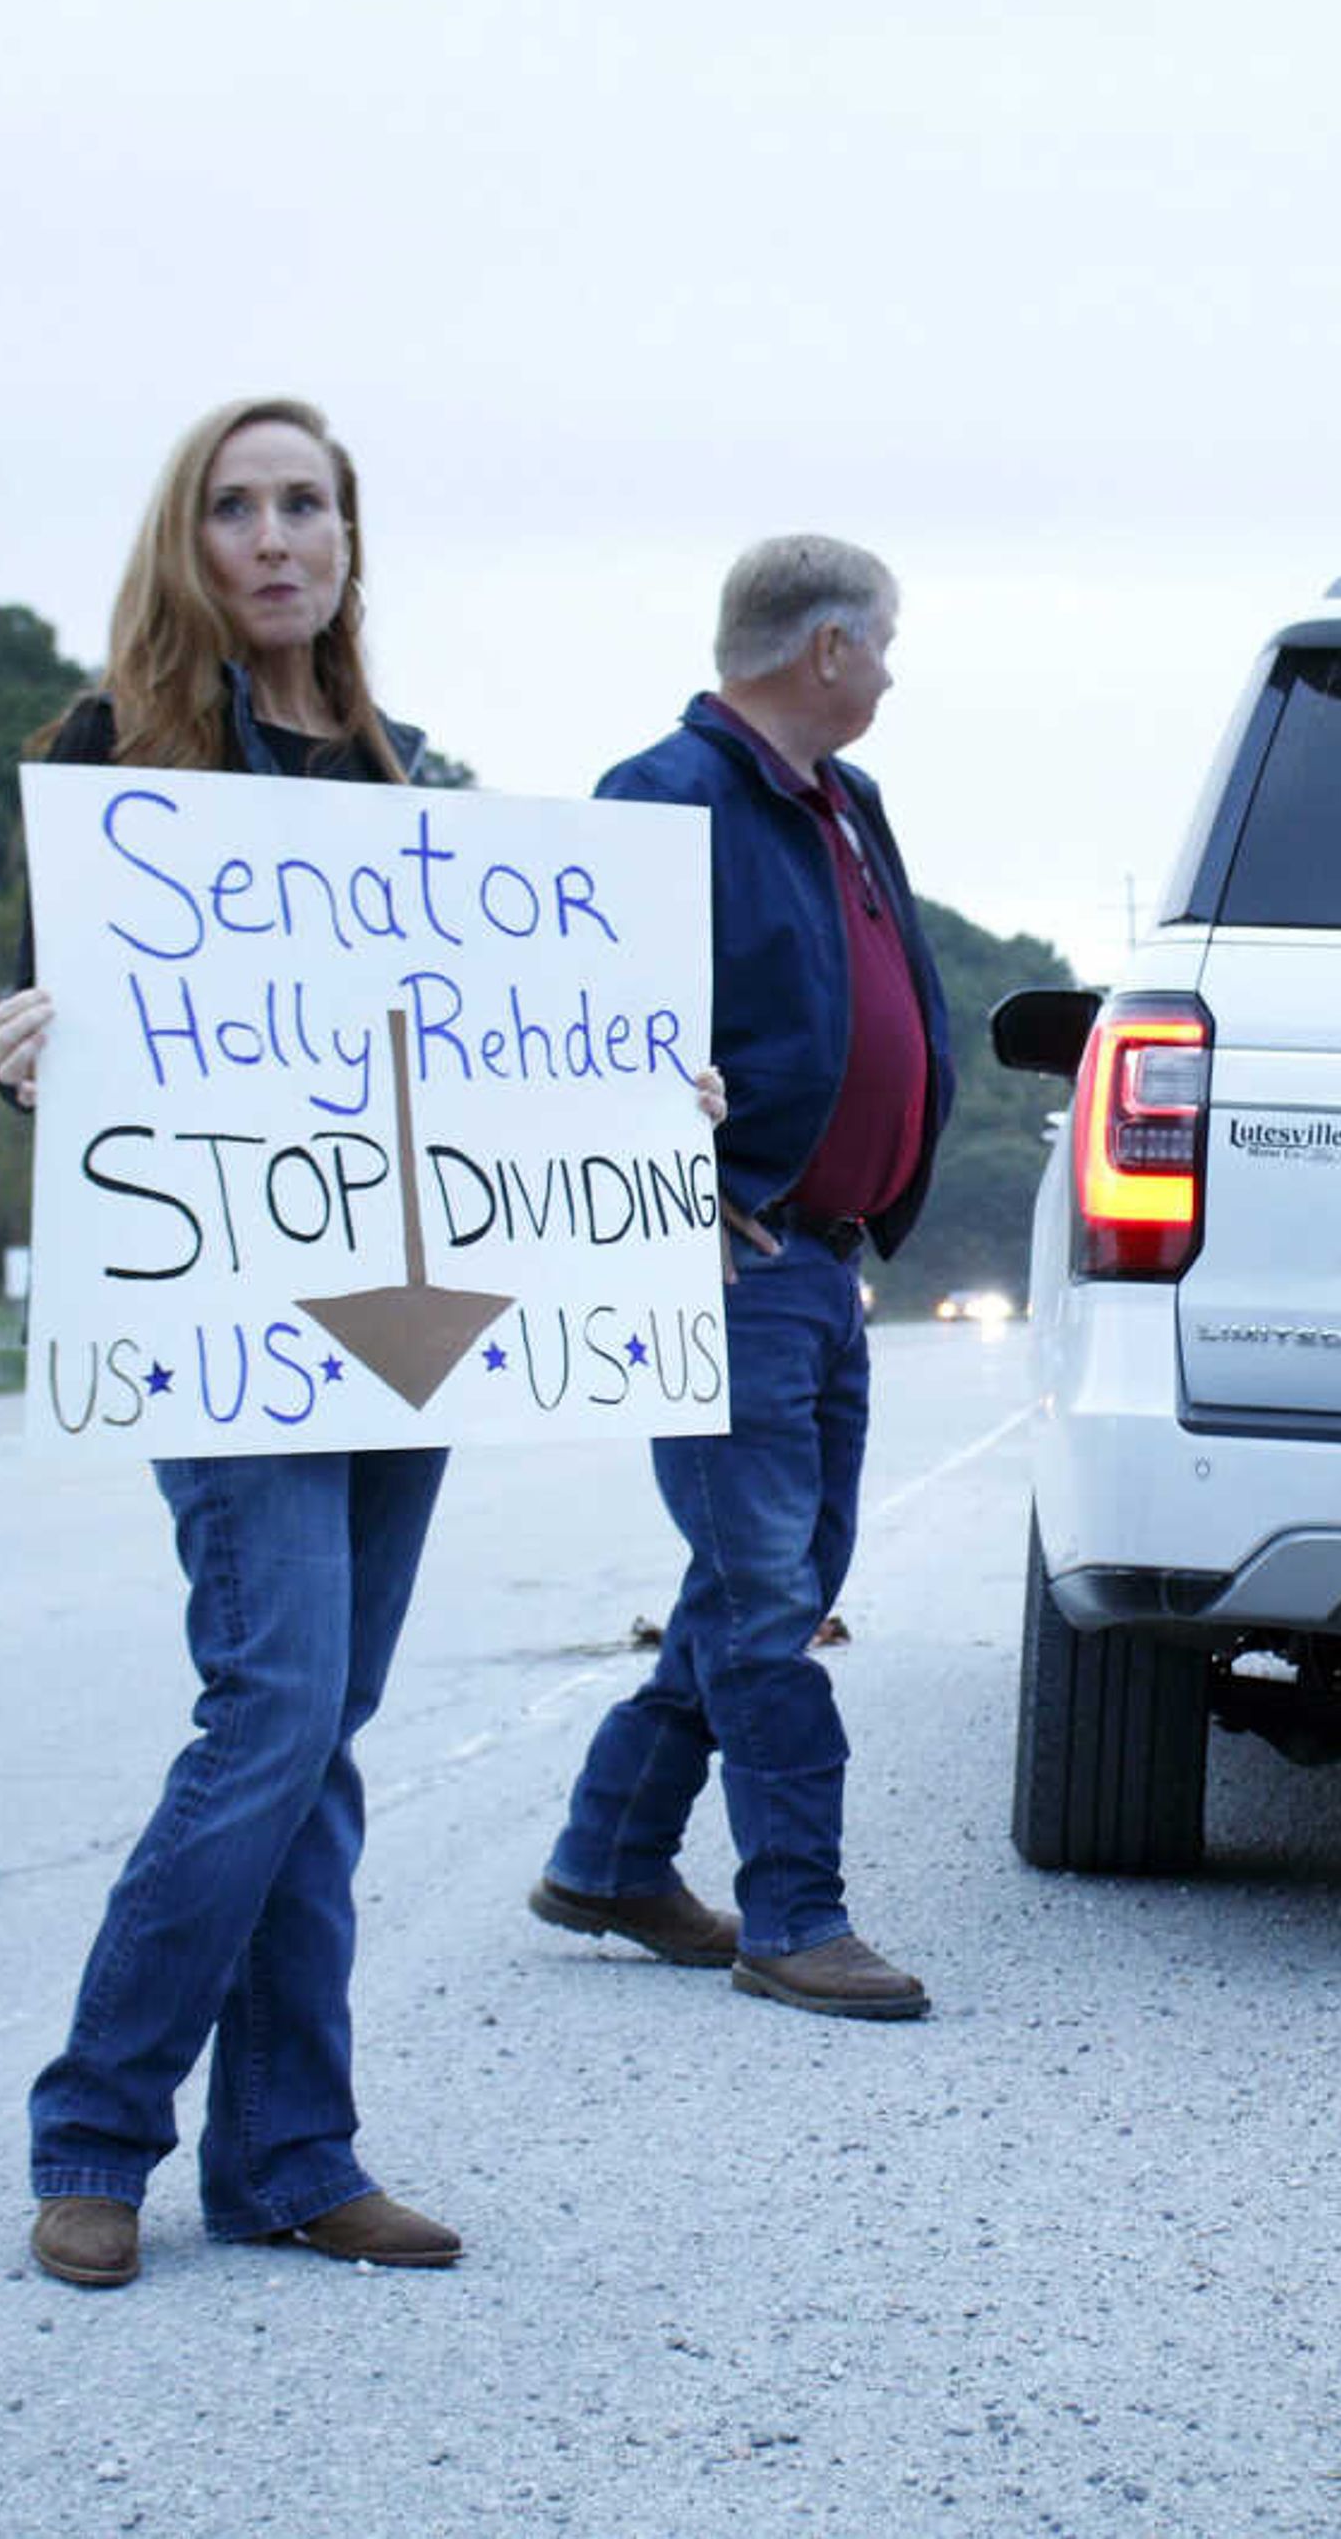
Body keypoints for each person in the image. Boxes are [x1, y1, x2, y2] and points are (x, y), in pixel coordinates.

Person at [0, 399, 716, 2289]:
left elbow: (467, 1047)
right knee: (275, 1711)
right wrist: (24, 1053)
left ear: (347, 538)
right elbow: (78, 1040)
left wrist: (643, 1083)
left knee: (322, 1739)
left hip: (399, 1322)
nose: (275, 536)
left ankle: (292, 2153)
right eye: (237, 507)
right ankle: (97, 2126)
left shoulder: (403, 776)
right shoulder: (109, 756)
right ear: (190, 540)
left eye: (306, 503)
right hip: (221, 1312)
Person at [529, 535, 956, 2020]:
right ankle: (796, 1912)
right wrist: (682, 1192)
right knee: (771, 1595)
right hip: (725, 1259)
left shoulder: (845, 804)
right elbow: (571, 1033)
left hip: (818, 1264)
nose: (894, 669)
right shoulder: (663, 798)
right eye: (884, 642)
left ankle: (609, 1855)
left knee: (767, 1573)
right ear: (825, 649)